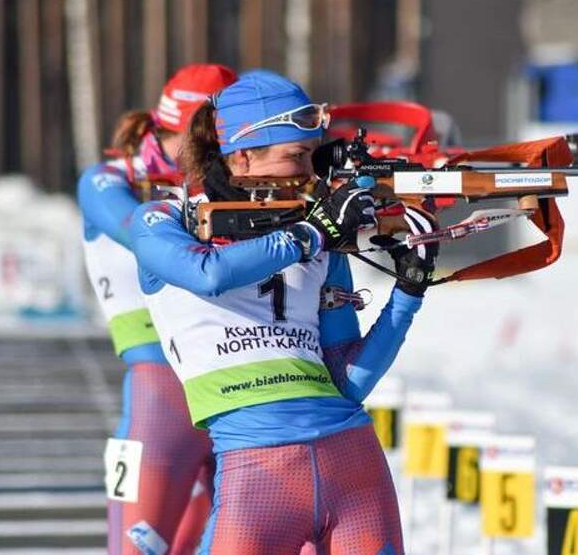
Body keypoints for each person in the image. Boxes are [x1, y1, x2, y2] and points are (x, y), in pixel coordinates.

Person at [130, 70, 438, 555]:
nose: (310, 173)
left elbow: (347, 381)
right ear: (242, 155)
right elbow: (207, 273)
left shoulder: (320, 234)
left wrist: (409, 290)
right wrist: (312, 234)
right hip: (256, 475)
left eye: (314, 155)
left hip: (354, 464)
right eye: (296, 155)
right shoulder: (163, 220)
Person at [77, 63, 237, 555]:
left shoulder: (232, 186)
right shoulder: (110, 180)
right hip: (161, 398)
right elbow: (148, 239)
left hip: (234, 386)